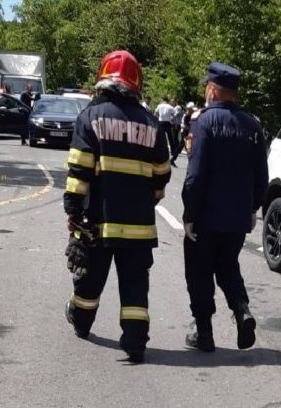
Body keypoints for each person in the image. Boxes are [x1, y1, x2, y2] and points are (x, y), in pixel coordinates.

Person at [63, 50, 171, 364]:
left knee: (90, 278)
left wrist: (72, 209)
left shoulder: (90, 117)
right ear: (136, 84)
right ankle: (135, 341)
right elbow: (162, 176)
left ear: (104, 79)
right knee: (135, 286)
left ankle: (82, 324)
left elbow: (79, 171)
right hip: (139, 226)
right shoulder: (152, 124)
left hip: (97, 221)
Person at [181, 62, 268, 352]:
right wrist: (253, 208)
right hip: (237, 220)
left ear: (212, 90)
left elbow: (194, 175)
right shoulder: (253, 126)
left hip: (206, 218)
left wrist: (189, 214)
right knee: (228, 266)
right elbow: (261, 176)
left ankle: (203, 332)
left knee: (199, 272)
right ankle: (242, 309)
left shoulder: (204, 122)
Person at [154, 96, 178, 167]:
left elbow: (155, 114)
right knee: (170, 137)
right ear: (167, 100)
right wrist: (172, 121)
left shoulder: (159, 105)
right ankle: (173, 151)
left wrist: (156, 120)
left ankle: (156, 148)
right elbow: (173, 116)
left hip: (160, 122)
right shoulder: (170, 107)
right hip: (167, 123)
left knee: (158, 136)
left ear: (162, 100)